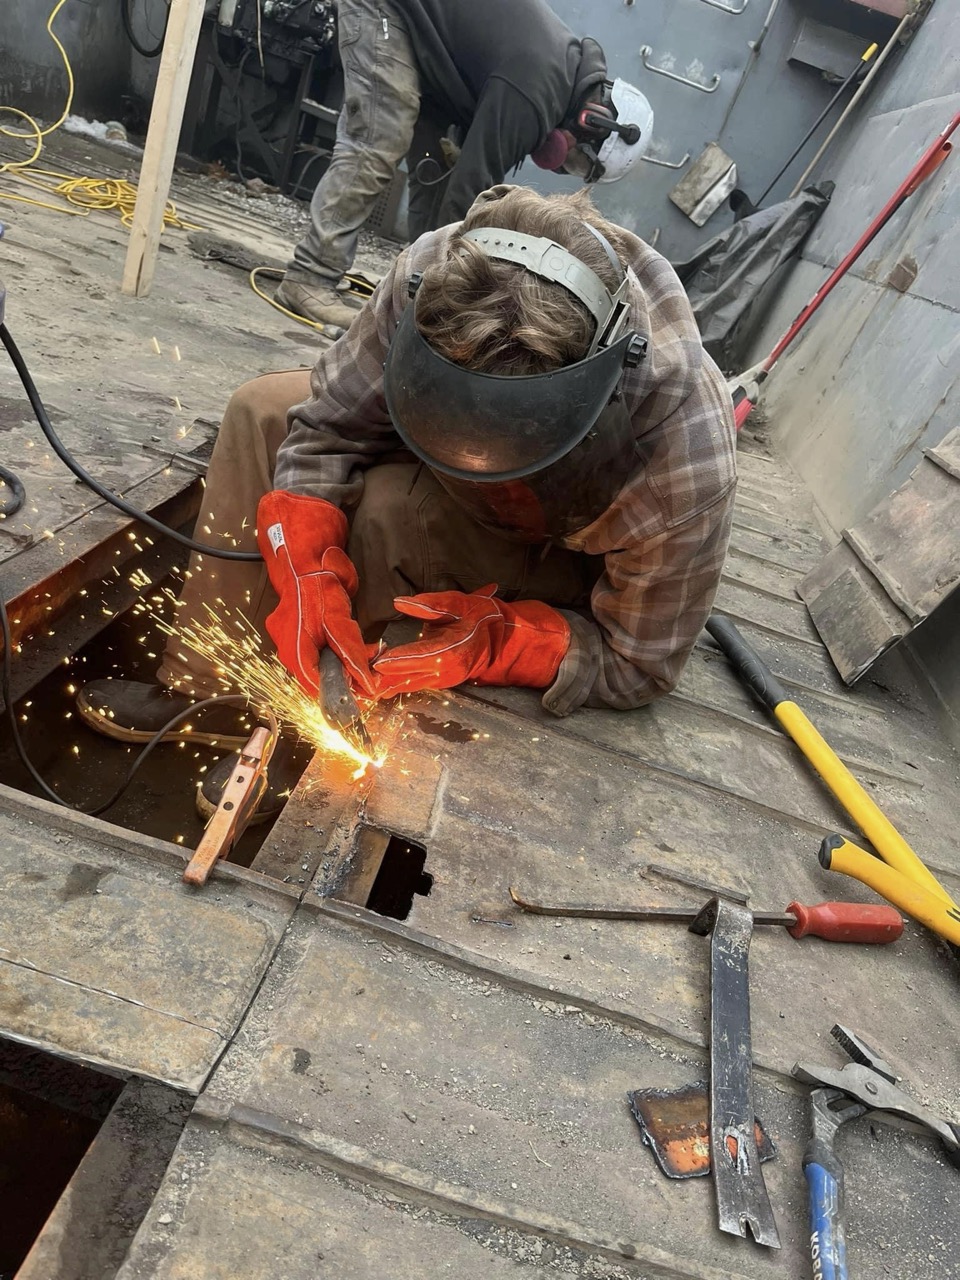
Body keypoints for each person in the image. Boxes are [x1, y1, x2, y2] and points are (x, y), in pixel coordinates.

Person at [78, 184, 736, 819]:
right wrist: (306, 565)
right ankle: (208, 688)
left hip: (558, 551)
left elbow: (639, 664)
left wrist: (504, 640)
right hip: (452, 465)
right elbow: (328, 425)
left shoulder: (681, 451)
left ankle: (310, 731)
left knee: (393, 511)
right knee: (261, 412)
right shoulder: (434, 270)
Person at [275, 0, 654, 328]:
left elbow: (454, 191)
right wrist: (457, 292)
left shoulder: (558, 80)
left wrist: (429, 289)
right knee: (380, 137)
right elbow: (473, 191)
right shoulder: (538, 89)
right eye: (575, 160)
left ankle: (416, 293)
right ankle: (311, 276)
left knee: (435, 168)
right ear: (594, 122)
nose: (560, 166)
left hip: (427, 49)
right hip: (389, 11)